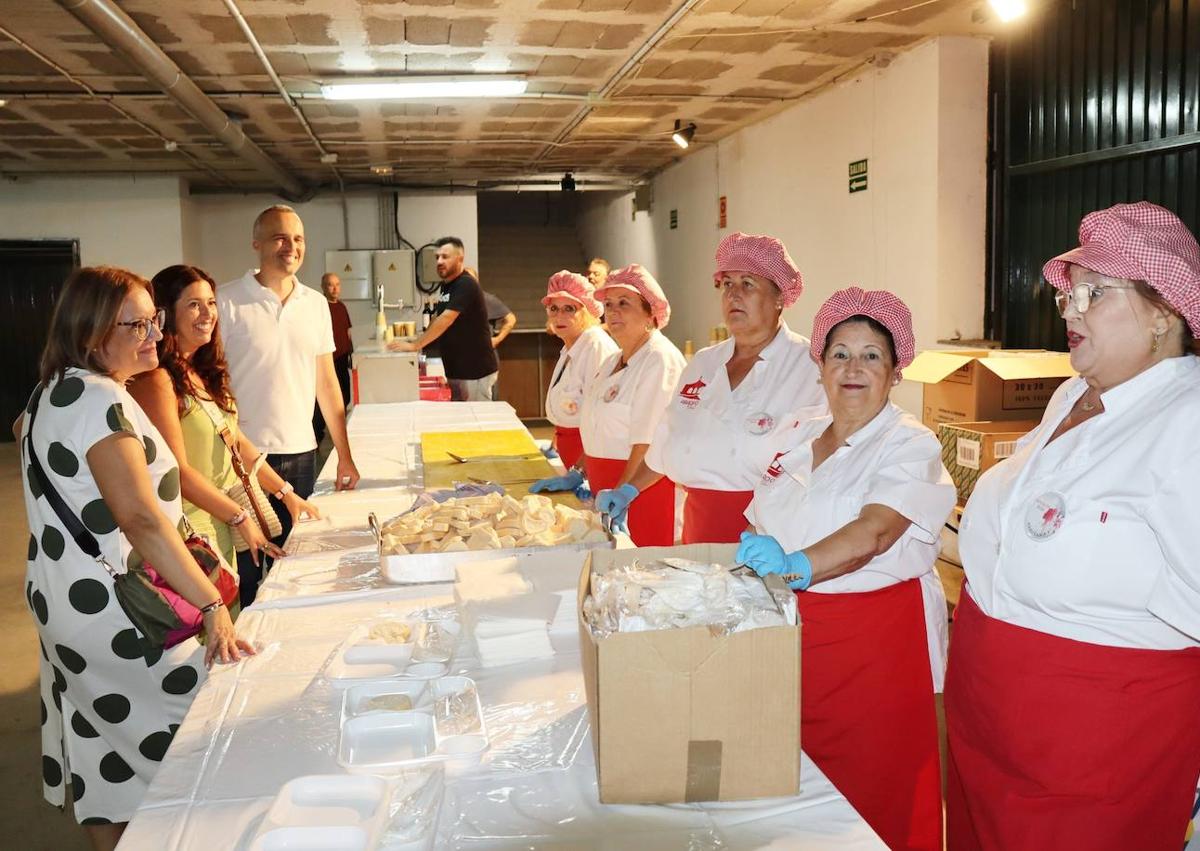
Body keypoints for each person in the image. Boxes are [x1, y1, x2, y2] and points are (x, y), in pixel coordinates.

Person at [945, 202, 1200, 851]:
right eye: (1068, 293)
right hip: (990, 728)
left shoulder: (1186, 423)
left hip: (1094, 751)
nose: (1070, 310)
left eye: (1094, 292)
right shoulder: (1072, 395)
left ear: (1165, 309)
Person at [17, 267, 254, 851]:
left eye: (154, 319)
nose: (155, 333)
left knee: (104, 752)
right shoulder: (98, 401)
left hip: (68, 600)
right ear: (93, 331)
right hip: (123, 612)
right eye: (137, 323)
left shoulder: (52, 391)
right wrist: (207, 602)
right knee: (198, 738)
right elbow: (141, 518)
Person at [736, 287, 955, 851]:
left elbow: (875, 532)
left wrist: (796, 564)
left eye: (871, 356)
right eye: (839, 354)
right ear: (821, 365)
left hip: (874, 642)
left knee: (870, 784)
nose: (852, 368)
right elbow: (763, 514)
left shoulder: (910, 443)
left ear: (895, 372)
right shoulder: (799, 434)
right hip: (794, 630)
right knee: (798, 780)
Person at [596, 232, 827, 543]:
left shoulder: (811, 367)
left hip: (770, 537)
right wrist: (630, 489)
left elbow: (819, 465)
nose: (733, 295)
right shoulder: (704, 363)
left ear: (779, 299)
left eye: (747, 284)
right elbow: (668, 441)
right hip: (699, 532)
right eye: (727, 284)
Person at [129, 265, 322, 608]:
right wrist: (240, 516)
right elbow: (179, 472)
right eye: (193, 305)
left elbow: (236, 441)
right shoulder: (158, 380)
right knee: (216, 622)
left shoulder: (201, 371)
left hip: (224, 520)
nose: (208, 314)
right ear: (166, 314)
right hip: (193, 528)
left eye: (211, 303)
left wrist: (286, 492)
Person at [218, 205, 359, 546]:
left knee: (296, 555)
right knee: (250, 568)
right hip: (242, 458)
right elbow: (214, 382)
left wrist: (344, 455)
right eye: (280, 238)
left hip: (301, 454)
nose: (291, 247)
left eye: (298, 239)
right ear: (257, 243)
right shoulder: (226, 301)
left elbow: (326, 384)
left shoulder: (315, 304)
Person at [531, 264, 685, 546]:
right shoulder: (612, 362)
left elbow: (647, 443)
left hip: (644, 492)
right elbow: (597, 430)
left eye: (624, 304)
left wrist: (624, 492)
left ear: (650, 313)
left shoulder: (660, 360)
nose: (613, 311)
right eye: (609, 304)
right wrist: (577, 473)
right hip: (610, 489)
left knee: (642, 574)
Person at [388, 237, 499, 401]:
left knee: (476, 422)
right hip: (457, 369)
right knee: (461, 420)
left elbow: (446, 319)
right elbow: (437, 317)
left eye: (445, 257)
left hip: (475, 371)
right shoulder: (447, 286)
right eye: (437, 257)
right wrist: (417, 340)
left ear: (460, 258)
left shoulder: (466, 284)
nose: (439, 261)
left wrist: (415, 345)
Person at [540, 270, 618, 468]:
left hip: (589, 457)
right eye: (554, 309)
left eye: (569, 308)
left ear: (587, 311)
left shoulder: (595, 345)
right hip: (572, 456)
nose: (559, 316)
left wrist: (582, 471)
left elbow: (602, 417)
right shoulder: (569, 346)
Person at [313, 272, 353, 443]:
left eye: (337, 284)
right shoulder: (319, 307)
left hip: (343, 359)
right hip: (327, 361)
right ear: (323, 287)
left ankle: (338, 433)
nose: (335, 288)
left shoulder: (342, 307)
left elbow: (348, 332)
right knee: (324, 401)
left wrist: (351, 353)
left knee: (344, 397)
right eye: (330, 284)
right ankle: (318, 436)